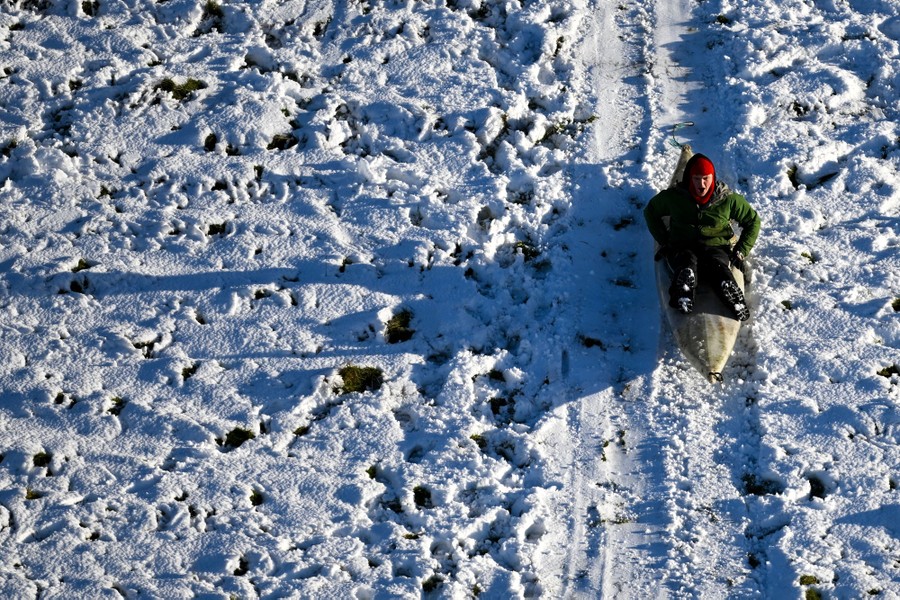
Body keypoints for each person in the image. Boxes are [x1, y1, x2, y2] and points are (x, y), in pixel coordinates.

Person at [643, 152, 761, 321]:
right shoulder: (675, 197)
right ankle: (684, 287)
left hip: (716, 245)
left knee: (717, 264)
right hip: (682, 244)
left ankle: (728, 288)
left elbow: (753, 221)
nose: (701, 184)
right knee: (685, 260)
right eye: (696, 178)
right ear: (689, 179)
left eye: (706, 178)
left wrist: (741, 250)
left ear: (713, 178)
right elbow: (651, 212)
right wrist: (664, 240)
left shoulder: (727, 200)